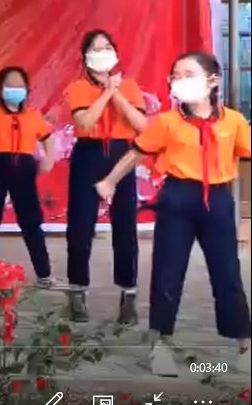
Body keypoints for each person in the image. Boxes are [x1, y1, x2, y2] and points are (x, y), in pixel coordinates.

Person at [95, 52, 250, 377]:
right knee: (167, 273)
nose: (180, 81)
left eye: (189, 74)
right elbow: (137, 152)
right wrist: (110, 181)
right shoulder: (167, 122)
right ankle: (160, 346)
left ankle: (244, 344)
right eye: (176, 76)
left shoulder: (233, 122)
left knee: (227, 273)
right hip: (177, 198)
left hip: (218, 201)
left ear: (213, 81)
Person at [65, 30, 148, 323]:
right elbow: (86, 122)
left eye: (107, 47)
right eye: (96, 48)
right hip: (88, 155)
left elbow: (141, 126)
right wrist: (106, 93)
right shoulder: (77, 88)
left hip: (121, 155)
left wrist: (117, 92)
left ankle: (128, 296)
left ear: (116, 53)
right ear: (85, 56)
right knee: (80, 227)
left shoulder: (130, 86)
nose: (102, 53)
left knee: (125, 227)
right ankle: (77, 293)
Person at [0, 66, 56, 286]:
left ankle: (44, 274)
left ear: (27, 89)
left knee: (31, 221)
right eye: (10, 85)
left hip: (24, 168)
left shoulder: (32, 115)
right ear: (0, 89)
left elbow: (48, 136)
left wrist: (49, 159)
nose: (15, 89)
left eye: (19, 85)